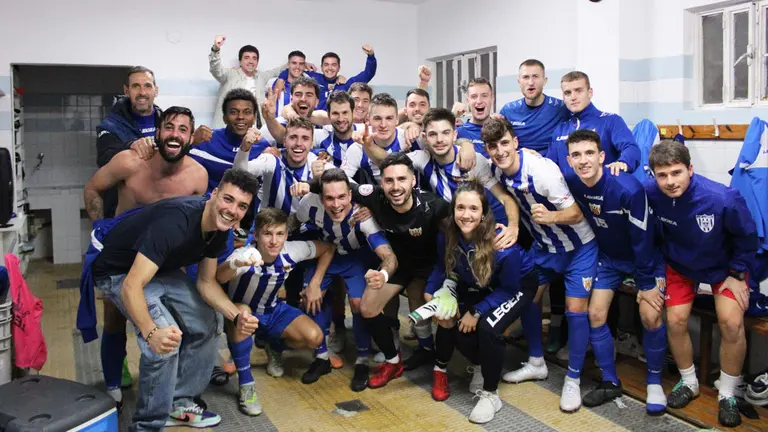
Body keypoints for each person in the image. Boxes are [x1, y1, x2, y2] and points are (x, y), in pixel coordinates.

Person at [88, 169, 261, 430]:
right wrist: (151, 331)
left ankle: (178, 402)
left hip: (157, 270)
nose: (232, 210)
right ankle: (147, 425)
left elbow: (206, 282)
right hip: (118, 272)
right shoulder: (176, 221)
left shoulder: (220, 229)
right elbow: (132, 285)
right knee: (166, 340)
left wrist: (236, 316)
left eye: (241, 206)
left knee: (207, 321)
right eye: (228, 199)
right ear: (213, 195)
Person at [81, 106, 208, 409]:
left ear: (190, 137)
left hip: (163, 261)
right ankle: (113, 385)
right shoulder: (131, 161)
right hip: (121, 257)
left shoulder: (197, 177)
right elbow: (93, 188)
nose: (174, 134)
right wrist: (101, 228)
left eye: (182, 129)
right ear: (158, 132)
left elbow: (189, 226)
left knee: (176, 320)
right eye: (169, 127)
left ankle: (174, 392)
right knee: (114, 318)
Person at [482, 118, 596, 413]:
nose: (500, 151)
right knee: (527, 297)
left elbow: (574, 214)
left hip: (578, 247)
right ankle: (536, 362)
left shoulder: (543, 172)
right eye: (493, 146)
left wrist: (550, 217)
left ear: (516, 142)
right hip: (545, 247)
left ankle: (572, 380)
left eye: (505, 143)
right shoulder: (493, 166)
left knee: (576, 310)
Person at [645, 140, 758, 427]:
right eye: (662, 175)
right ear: (653, 175)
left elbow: (747, 238)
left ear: (690, 170)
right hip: (680, 265)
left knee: (731, 323)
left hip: (723, 268)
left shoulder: (722, 198)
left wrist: (738, 273)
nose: (670, 182)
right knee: (676, 320)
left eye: (676, 172)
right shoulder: (650, 194)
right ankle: (689, 382)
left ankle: (728, 393)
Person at [564, 129, 668, 414]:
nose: (583, 161)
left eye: (589, 154)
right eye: (576, 155)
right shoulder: (572, 181)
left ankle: (654, 383)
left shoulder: (627, 189)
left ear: (601, 157)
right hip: (609, 259)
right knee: (595, 313)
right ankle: (610, 381)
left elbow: (643, 240)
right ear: (569, 160)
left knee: (650, 314)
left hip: (645, 259)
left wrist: (646, 283)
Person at [425, 181, 537, 424]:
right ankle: (481, 363)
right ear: (453, 209)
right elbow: (441, 266)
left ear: (484, 213)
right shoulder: (447, 233)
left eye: (474, 209)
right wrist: (429, 292)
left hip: (517, 285)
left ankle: (490, 394)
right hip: (482, 283)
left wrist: (477, 311)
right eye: (461, 208)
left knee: (487, 327)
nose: (466, 215)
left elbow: (509, 287)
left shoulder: (502, 246)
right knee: (454, 323)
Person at [217, 208, 335, 416]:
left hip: (274, 310)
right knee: (243, 313)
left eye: (279, 234)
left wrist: (315, 283)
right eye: (267, 234)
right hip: (243, 312)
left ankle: (275, 347)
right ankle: (246, 386)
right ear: (256, 235)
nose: (273, 241)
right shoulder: (244, 255)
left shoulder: (292, 250)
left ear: (286, 235)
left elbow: (328, 248)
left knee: (315, 337)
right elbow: (220, 277)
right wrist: (237, 263)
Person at [349, 152, 451, 385]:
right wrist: (309, 183)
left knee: (418, 303)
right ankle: (393, 362)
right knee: (367, 307)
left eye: (402, 179)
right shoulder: (375, 198)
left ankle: (429, 352)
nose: (396, 187)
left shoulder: (435, 207)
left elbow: (460, 238)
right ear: (381, 183)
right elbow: (338, 185)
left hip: (429, 266)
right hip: (396, 265)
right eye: (389, 181)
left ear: (413, 180)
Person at [296, 168, 398, 391]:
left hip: (355, 258)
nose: (336, 204)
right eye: (329, 198)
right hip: (325, 255)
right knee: (309, 298)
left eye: (342, 197)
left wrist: (383, 274)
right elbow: (292, 225)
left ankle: (362, 360)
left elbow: (388, 255)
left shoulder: (362, 216)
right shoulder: (309, 205)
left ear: (350, 195)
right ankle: (322, 357)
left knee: (358, 303)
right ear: (321, 198)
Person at [548, 71, 639, 178]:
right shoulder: (560, 129)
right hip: (567, 193)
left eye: (578, 91)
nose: (573, 97)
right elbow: (549, 166)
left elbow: (631, 147)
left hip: (604, 190)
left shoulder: (611, 121)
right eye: (568, 93)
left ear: (590, 92)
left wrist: (623, 162)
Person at [189, 89, 270, 194]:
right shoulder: (206, 140)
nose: (240, 117)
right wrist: (191, 142)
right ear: (224, 118)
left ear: (254, 118)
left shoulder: (264, 147)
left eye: (247, 112)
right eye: (233, 112)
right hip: (208, 206)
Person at [209, 35, 285, 129]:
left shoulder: (261, 76)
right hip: (227, 128)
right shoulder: (229, 74)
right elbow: (215, 68)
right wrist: (216, 49)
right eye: (247, 58)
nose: (251, 61)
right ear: (240, 61)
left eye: (254, 58)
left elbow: (279, 70)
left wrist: (302, 64)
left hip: (254, 130)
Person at [342, 93, 420, 183]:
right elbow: (342, 180)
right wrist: (361, 191)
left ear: (397, 119)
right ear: (368, 119)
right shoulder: (358, 148)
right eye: (377, 118)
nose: (383, 125)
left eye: (389, 118)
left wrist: (414, 125)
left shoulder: (409, 138)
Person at [498, 59, 569, 157]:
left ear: (545, 81)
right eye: (526, 77)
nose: (530, 82)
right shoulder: (508, 110)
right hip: (518, 165)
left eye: (535, 76)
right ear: (519, 82)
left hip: (549, 165)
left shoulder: (561, 108)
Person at [277, 46, 377, 110]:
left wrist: (371, 56)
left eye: (333, 65)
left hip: (336, 127)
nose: (330, 68)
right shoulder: (313, 79)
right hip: (314, 127)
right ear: (321, 67)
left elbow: (368, 74)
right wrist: (281, 78)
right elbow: (295, 70)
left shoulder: (345, 85)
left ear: (339, 68)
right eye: (326, 65)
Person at [456, 78, 497, 159]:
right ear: (468, 101)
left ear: (492, 99)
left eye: (484, 96)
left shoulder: (502, 130)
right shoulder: (458, 133)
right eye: (474, 96)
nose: (479, 101)